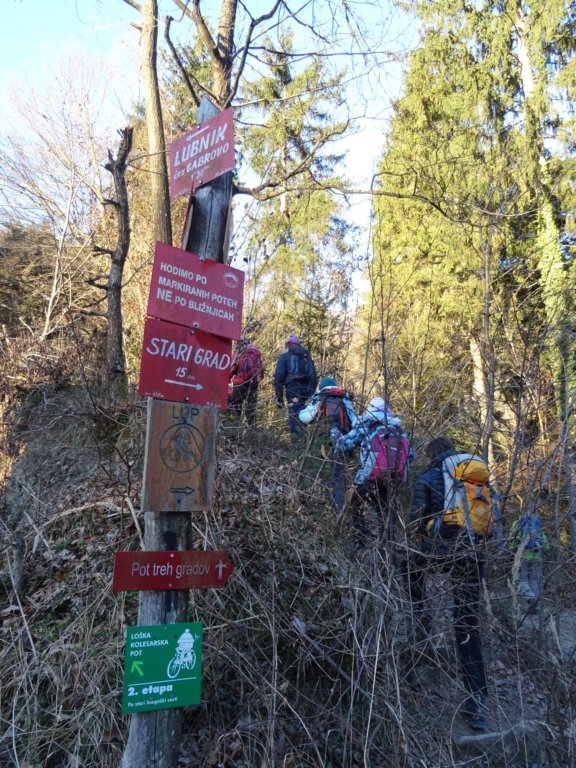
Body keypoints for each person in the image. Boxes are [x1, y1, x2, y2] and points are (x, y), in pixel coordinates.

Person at [407, 436, 490, 731]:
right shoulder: (476, 478)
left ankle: (421, 623)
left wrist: (420, 541)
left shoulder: (430, 476)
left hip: (439, 551)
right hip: (473, 555)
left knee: (406, 565)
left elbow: (415, 520)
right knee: (467, 626)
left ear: (432, 454)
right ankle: (477, 703)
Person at [335, 397, 409, 546]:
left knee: (355, 503)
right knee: (385, 512)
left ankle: (360, 541)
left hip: (369, 477)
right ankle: (387, 547)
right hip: (393, 479)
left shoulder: (366, 425)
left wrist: (335, 433)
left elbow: (344, 444)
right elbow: (410, 456)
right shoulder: (398, 430)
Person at [298, 377, 358, 513]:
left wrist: (301, 410)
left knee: (325, 472)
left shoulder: (320, 396)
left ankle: (332, 507)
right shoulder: (344, 397)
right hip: (342, 440)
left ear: (321, 387)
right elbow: (354, 420)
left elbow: (305, 417)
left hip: (324, 442)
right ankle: (340, 506)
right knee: (340, 473)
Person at [274, 335, 317, 443]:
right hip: (307, 392)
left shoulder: (284, 356)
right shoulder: (306, 356)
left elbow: (279, 377)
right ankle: (304, 445)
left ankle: (296, 448)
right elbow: (313, 376)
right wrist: (311, 394)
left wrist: (279, 397)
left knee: (294, 418)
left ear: (287, 345)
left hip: (293, 391)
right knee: (304, 418)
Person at [508, 510, 549, 612]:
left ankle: (530, 598)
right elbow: (545, 543)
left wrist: (511, 551)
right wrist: (544, 550)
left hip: (522, 555)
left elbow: (512, 539)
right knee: (534, 580)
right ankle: (534, 605)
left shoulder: (517, 523)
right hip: (536, 556)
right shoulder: (536, 523)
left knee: (522, 579)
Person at [228, 339, 264, 429]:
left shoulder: (239, 353)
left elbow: (231, 369)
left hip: (239, 384)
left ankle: (234, 428)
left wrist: (227, 379)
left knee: (235, 407)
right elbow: (261, 372)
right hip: (253, 384)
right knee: (251, 408)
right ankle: (252, 430)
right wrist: (256, 381)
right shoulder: (256, 354)